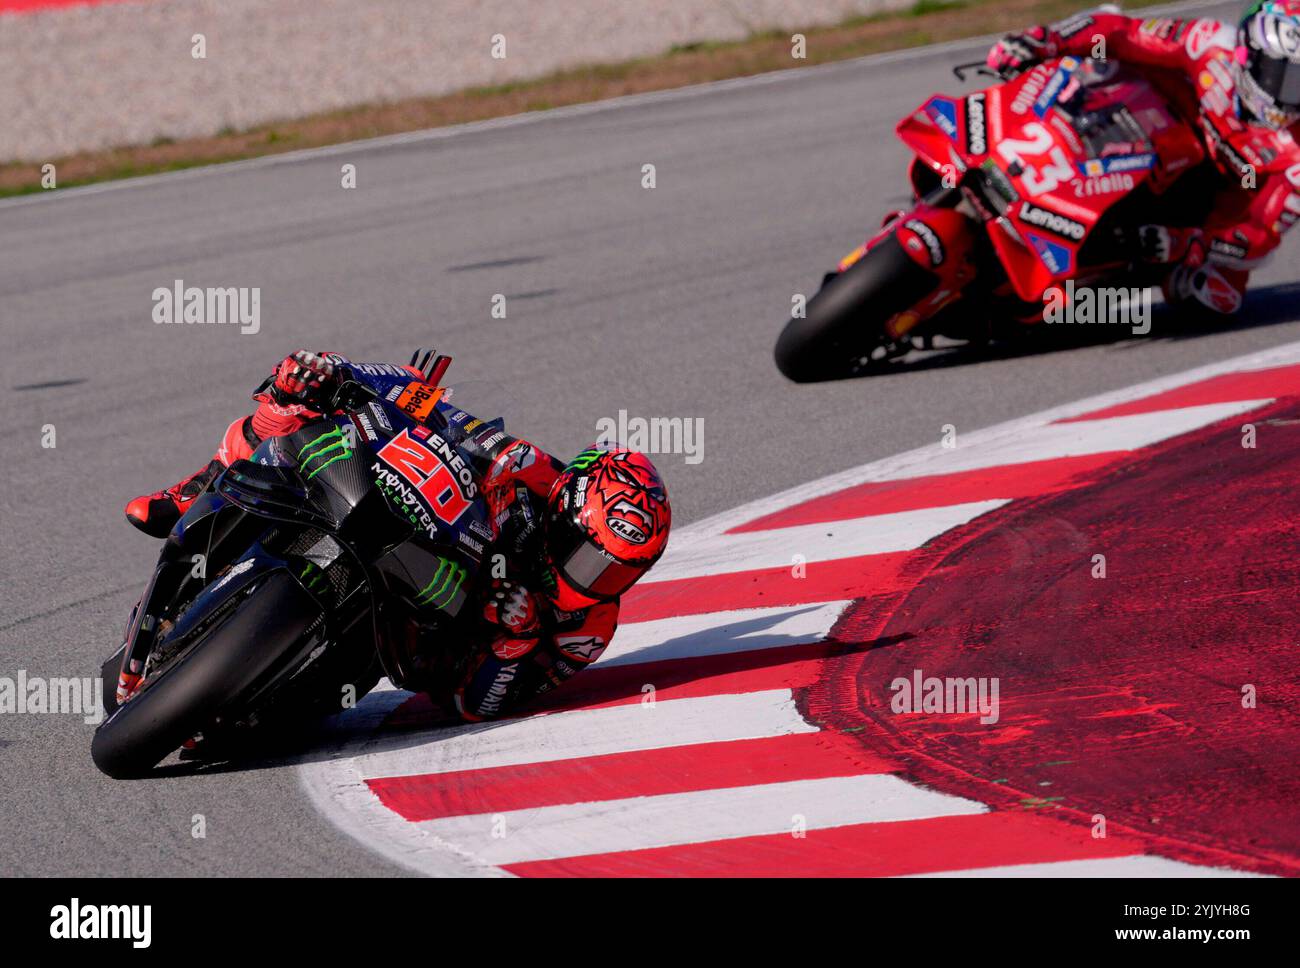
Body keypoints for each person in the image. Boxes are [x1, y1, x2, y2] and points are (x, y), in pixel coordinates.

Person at [122, 351, 672, 721]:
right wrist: (338, 373)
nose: (594, 579)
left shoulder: (590, 629)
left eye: (617, 573)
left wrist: (514, 645)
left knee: (333, 696)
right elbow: (440, 411)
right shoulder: (529, 468)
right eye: (590, 559)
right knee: (294, 408)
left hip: (424, 638)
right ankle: (195, 490)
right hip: (410, 528)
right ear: (564, 508)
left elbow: (478, 707)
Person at [987, 1, 1300, 315]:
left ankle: (1084, 296)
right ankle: (1004, 122)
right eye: (1284, 76)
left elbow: (1258, 232)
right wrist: (1045, 40)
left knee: (1214, 296)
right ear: (1249, 53)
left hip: (1216, 200)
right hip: (1150, 120)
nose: (1289, 95)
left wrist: (1189, 242)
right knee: (1100, 31)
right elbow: (1125, 34)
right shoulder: (1211, 42)